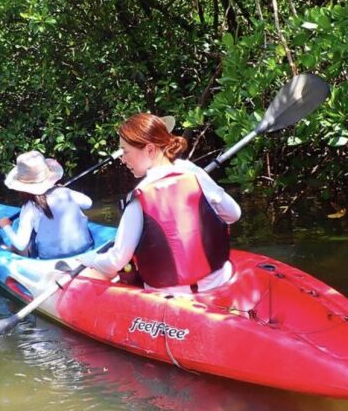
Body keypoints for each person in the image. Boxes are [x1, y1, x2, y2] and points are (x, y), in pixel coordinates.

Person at [78, 113, 241, 293]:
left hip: (175, 295)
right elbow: (233, 214)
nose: (122, 160)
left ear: (149, 149)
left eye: (125, 152)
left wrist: (89, 260)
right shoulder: (194, 173)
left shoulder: (139, 198)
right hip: (220, 280)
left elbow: (117, 261)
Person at [0, 150, 95, 259]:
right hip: (86, 248)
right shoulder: (67, 193)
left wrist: (5, 226)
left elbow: (21, 245)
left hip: (50, 258)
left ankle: (6, 248)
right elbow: (88, 203)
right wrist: (63, 190)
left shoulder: (29, 207)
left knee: (20, 243)